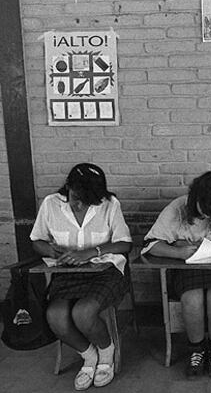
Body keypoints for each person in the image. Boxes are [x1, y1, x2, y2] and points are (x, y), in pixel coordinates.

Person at [30, 163, 132, 390]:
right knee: (55, 315)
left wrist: (91, 252)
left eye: (88, 200)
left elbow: (125, 244)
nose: (80, 204)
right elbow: (37, 240)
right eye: (77, 197)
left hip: (105, 271)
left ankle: (107, 353)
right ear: (68, 186)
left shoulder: (110, 204)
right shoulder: (51, 204)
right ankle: (89, 356)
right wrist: (51, 251)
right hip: (67, 272)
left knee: (83, 312)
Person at [141, 171, 211, 379]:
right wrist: (177, 251)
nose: (207, 217)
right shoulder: (177, 208)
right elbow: (150, 244)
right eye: (204, 211)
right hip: (186, 266)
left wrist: (198, 245)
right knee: (192, 299)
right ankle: (196, 349)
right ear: (195, 199)